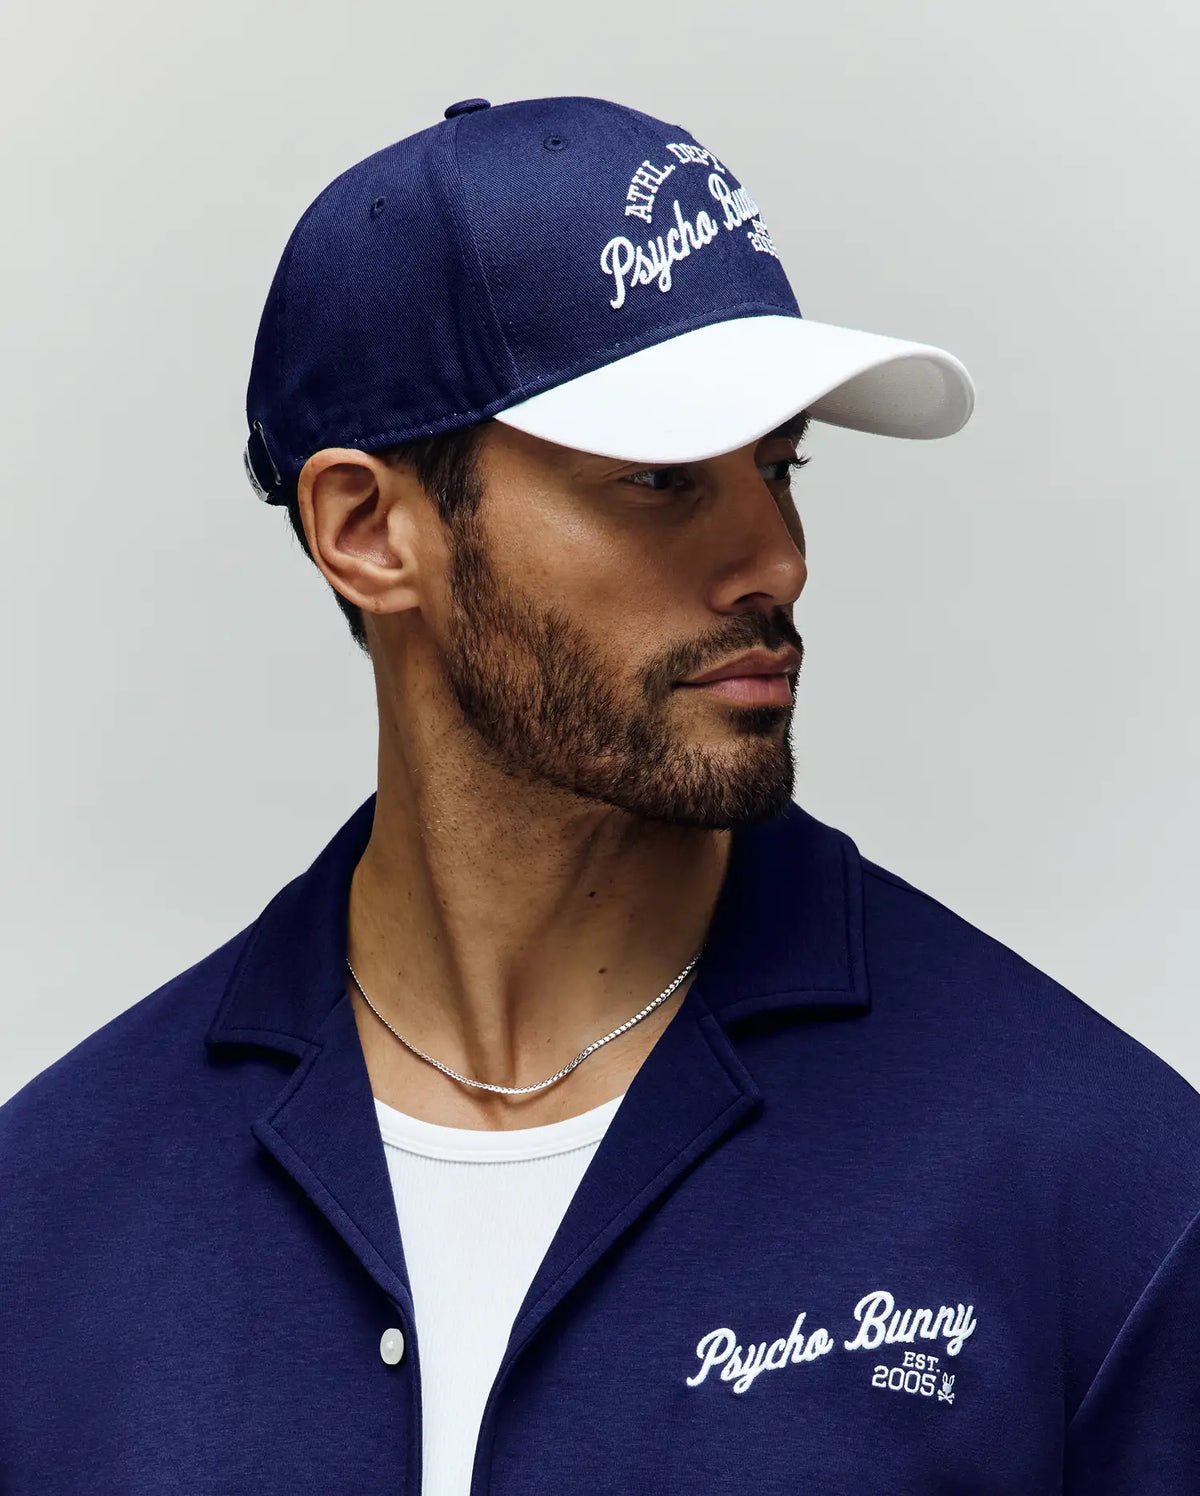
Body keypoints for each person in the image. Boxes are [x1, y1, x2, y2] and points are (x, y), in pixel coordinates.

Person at [2, 93, 1198, 1496]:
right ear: (367, 529)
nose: (779, 559)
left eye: (779, 465)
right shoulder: (48, 1221)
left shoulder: (1102, 1193)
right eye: (660, 479)